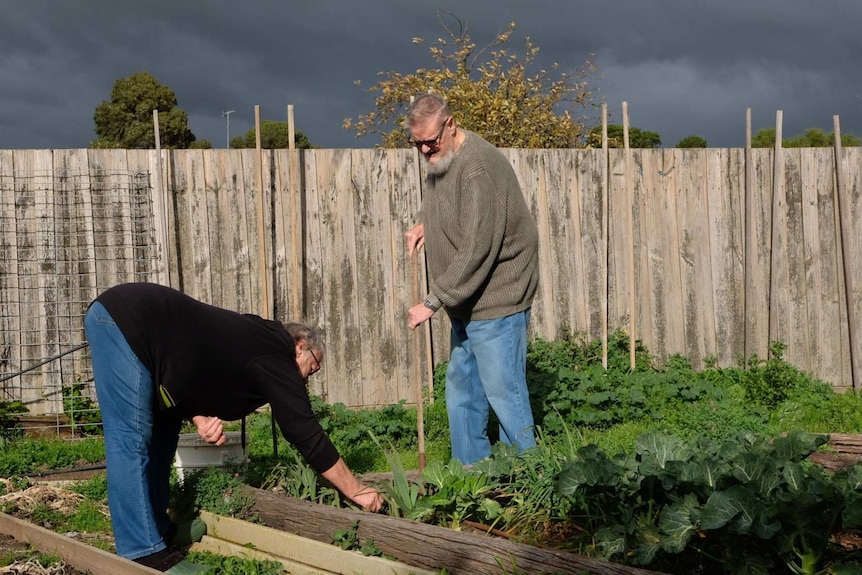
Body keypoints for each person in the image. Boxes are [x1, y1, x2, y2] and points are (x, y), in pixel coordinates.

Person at [84, 282, 383, 574]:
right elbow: (303, 430)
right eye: (312, 367)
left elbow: (196, 365)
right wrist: (356, 490)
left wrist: (198, 417)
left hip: (143, 331)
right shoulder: (275, 353)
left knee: (162, 439)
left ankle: (159, 532)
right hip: (126, 322)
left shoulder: (258, 339)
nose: (306, 380)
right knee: (131, 441)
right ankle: (143, 554)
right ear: (300, 345)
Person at [403, 93, 540, 466]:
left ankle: (531, 479)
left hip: (496, 297)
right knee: (463, 391)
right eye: (417, 144)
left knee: (504, 394)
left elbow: (479, 246)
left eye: (430, 140)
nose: (426, 150)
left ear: (451, 124)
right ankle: (472, 474)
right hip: (466, 300)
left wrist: (433, 300)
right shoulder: (443, 157)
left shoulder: (477, 165)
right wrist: (425, 223)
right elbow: (449, 203)